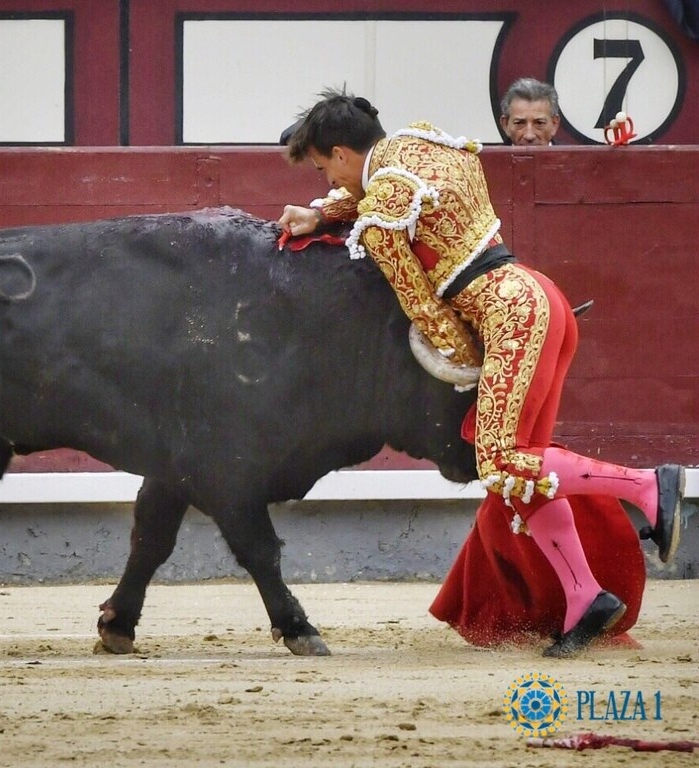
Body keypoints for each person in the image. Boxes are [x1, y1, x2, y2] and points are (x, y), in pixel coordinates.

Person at [276, 89, 683, 657]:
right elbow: (386, 195)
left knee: (499, 457)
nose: (329, 179)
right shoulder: (419, 141)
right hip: (540, 299)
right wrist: (323, 210)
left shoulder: (380, 215)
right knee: (517, 473)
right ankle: (584, 597)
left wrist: (463, 364)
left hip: (510, 317)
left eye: (323, 168)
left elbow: (422, 305)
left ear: (341, 153)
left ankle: (647, 486)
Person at [499, 77, 561, 145]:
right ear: (505, 125)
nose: (529, 136)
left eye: (539, 123)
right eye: (519, 123)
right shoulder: (490, 156)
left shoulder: (572, 155)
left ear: (554, 124)